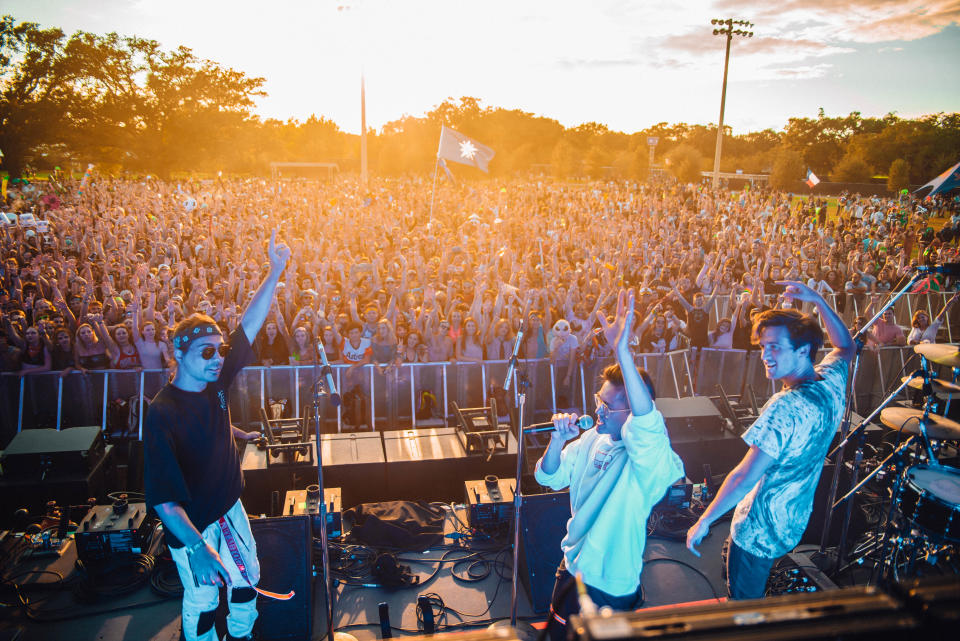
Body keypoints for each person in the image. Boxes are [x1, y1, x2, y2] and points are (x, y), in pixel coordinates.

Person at [143, 229, 290, 641]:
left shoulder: (216, 382)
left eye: (219, 350)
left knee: (247, 582)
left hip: (228, 505)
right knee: (204, 599)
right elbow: (165, 500)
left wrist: (275, 272)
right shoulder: (161, 414)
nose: (216, 359)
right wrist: (195, 547)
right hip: (191, 523)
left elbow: (249, 325)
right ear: (179, 353)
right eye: (206, 352)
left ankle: (241, 636)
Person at [686, 280, 854, 600]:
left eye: (775, 346)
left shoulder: (785, 407)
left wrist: (705, 520)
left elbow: (743, 475)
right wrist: (818, 299)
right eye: (763, 346)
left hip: (757, 535)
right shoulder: (831, 380)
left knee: (744, 611)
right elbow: (846, 347)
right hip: (793, 519)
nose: (765, 355)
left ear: (803, 350)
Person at [536, 290, 684, 641]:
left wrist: (623, 352)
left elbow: (647, 423)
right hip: (572, 565)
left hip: (610, 580)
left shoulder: (646, 461)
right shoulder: (590, 439)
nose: (598, 410)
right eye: (598, 400)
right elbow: (549, 476)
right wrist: (557, 439)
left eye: (608, 405)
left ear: (631, 408)